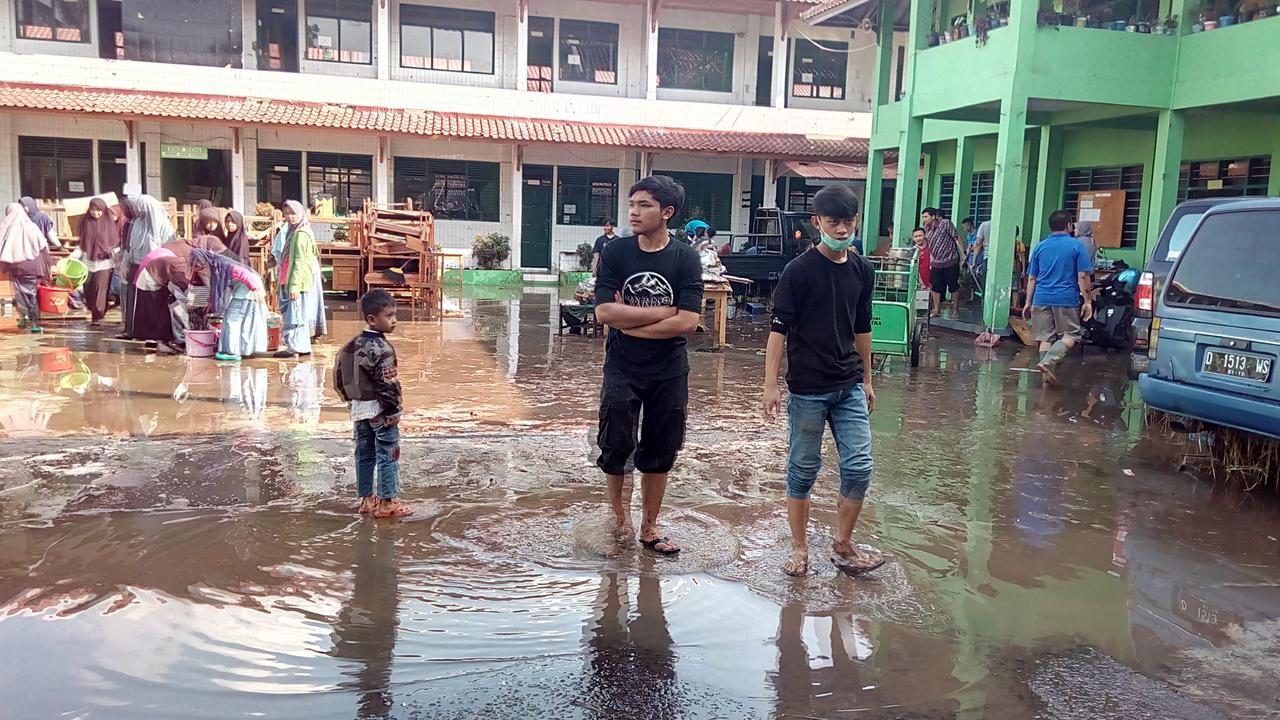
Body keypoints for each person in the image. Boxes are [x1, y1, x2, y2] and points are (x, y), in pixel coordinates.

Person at [762, 185, 882, 577]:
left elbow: (862, 327)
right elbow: (779, 330)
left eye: (848, 222)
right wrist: (770, 384)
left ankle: (843, 545)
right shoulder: (799, 271)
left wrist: (866, 378)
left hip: (848, 382)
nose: (843, 230)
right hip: (808, 387)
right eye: (834, 222)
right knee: (803, 467)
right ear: (817, 223)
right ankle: (799, 549)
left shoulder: (863, 269)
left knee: (860, 465)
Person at [593, 175, 703, 555]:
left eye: (644, 206)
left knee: (661, 448)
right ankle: (621, 520)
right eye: (632, 204)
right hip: (621, 366)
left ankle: (650, 526)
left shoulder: (685, 257)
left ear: (666, 212)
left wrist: (631, 319)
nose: (634, 212)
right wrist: (661, 314)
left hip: (669, 369)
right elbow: (605, 312)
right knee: (615, 444)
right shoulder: (617, 252)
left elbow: (688, 322)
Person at [333, 289, 412, 519]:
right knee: (388, 454)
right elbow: (388, 384)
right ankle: (387, 502)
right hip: (380, 412)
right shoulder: (382, 349)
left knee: (365, 454)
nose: (394, 320)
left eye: (395, 315)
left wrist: (350, 401)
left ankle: (367, 500)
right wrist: (394, 410)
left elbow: (338, 378)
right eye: (389, 316)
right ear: (372, 319)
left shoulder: (349, 346)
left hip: (359, 411)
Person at [1022, 210, 1094, 386]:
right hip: (1065, 298)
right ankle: (1048, 362)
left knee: (1046, 338)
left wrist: (1028, 303)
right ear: (1069, 225)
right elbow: (1083, 276)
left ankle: (1046, 378)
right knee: (1071, 335)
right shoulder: (1076, 246)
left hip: (1041, 297)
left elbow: (1032, 277)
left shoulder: (1040, 246)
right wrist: (1088, 301)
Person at [189, 248, 268, 362]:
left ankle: (232, 351)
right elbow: (216, 288)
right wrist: (210, 302)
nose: (197, 269)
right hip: (245, 286)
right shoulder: (214, 267)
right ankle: (239, 350)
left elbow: (243, 273)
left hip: (249, 286)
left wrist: (254, 288)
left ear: (204, 261)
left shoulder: (223, 265)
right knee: (237, 319)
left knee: (232, 319)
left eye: (198, 266)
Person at [119, 195, 175, 339]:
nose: (139, 211)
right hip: (136, 265)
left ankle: (155, 332)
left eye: (141, 208)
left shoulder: (163, 225)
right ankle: (134, 331)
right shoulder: (137, 223)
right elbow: (130, 246)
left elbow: (170, 247)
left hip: (155, 268)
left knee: (153, 300)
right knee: (134, 300)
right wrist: (126, 264)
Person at [0, 203, 56, 333]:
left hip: (16, 267)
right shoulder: (32, 227)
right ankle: (34, 323)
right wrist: (51, 264)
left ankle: (24, 315)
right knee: (32, 294)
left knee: (21, 294)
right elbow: (43, 248)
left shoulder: (4, 227)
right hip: (34, 267)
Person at [276, 200, 320, 358]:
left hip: (297, 283)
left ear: (301, 214)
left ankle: (295, 347)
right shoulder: (292, 231)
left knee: (295, 315)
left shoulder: (301, 234)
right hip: (288, 278)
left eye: (293, 213)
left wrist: (294, 286)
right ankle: (299, 346)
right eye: (286, 213)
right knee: (295, 314)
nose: (289, 217)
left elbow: (300, 262)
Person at [131, 244, 191, 352]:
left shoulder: (184, 268)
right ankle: (154, 341)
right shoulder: (181, 274)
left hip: (157, 274)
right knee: (153, 312)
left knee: (162, 310)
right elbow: (180, 296)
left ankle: (161, 340)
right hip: (149, 278)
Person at [77, 198, 122, 326]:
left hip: (105, 264)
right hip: (88, 262)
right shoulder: (85, 222)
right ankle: (95, 314)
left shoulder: (109, 225)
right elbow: (81, 243)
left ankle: (98, 318)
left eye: (99, 210)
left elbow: (116, 242)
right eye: (93, 210)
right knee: (89, 291)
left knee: (99, 292)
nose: (95, 213)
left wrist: (114, 252)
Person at [921, 207, 964, 319]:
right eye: (923, 217)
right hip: (936, 262)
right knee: (936, 286)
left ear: (933, 216)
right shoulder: (926, 229)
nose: (924, 219)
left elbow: (956, 236)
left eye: (926, 216)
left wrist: (963, 252)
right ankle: (936, 309)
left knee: (953, 285)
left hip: (951, 260)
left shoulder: (945, 223)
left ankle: (955, 310)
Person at [912, 227, 932, 291]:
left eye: (920, 235)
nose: (918, 238)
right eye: (916, 236)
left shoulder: (931, 248)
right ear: (913, 238)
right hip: (919, 282)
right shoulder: (913, 251)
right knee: (921, 299)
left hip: (932, 278)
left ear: (925, 236)